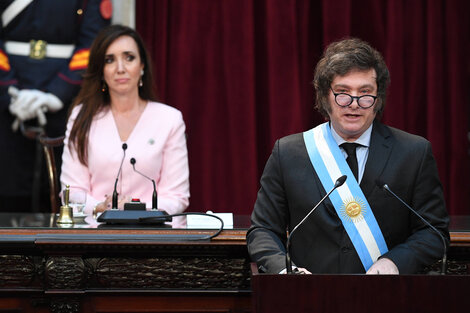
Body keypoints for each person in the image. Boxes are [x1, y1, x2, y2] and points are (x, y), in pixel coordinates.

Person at [246, 38, 449, 275]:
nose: (354, 104)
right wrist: (285, 271)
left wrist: (394, 262)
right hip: (308, 298)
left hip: (387, 298)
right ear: (325, 97)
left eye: (365, 93)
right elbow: (263, 230)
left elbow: (434, 233)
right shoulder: (289, 153)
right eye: (342, 93)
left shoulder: (413, 152)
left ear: (378, 99)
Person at [60, 25, 190, 219]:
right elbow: (71, 193)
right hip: (94, 235)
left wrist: (134, 209)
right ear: (101, 70)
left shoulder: (169, 119)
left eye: (129, 57)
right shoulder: (82, 116)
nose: (120, 68)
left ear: (142, 65)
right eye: (110, 60)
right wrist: (101, 207)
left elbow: (177, 196)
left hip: (153, 237)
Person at [0, 0, 111, 212]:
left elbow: (93, 43)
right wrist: (9, 91)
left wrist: (58, 93)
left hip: (65, 106)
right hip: (6, 106)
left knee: (60, 197)